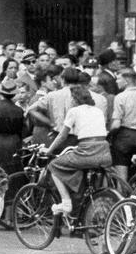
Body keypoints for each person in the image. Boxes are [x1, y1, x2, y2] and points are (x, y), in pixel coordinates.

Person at [47, 85, 111, 215]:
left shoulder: (74, 111)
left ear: (74, 99)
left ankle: (66, 203)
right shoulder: (97, 111)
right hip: (104, 151)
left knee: (54, 166)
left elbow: (62, 135)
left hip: (87, 152)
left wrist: (49, 150)